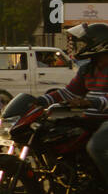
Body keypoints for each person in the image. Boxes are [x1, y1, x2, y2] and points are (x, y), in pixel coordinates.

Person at [38, 23, 108, 182]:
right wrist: (41, 100)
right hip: (90, 120)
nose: (81, 46)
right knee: (54, 136)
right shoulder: (88, 69)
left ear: (100, 44)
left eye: (86, 42)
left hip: (105, 120)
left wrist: (91, 103)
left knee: (96, 146)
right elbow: (69, 92)